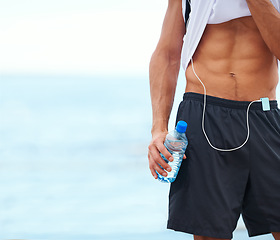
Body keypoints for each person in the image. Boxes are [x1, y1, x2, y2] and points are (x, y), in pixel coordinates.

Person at [148, 0, 280, 239]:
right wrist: (158, 128)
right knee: (209, 234)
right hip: (204, 114)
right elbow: (167, 54)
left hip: (264, 115)